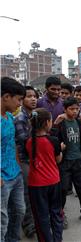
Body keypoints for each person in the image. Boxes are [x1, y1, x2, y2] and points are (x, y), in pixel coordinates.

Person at [53, 97, 81, 226]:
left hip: (78, 160)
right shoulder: (60, 123)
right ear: (65, 109)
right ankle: (61, 214)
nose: (75, 111)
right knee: (63, 190)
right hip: (64, 162)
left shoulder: (80, 122)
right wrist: (55, 124)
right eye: (72, 109)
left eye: (77, 109)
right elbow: (53, 140)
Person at [26, 108, 64, 242]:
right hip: (54, 181)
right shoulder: (53, 140)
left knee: (41, 216)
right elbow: (58, 160)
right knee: (56, 213)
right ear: (48, 122)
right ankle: (57, 239)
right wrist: (61, 149)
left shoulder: (29, 141)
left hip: (36, 184)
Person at [1, 77, 26, 241]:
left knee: (19, 212)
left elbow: (13, 144)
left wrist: (18, 167)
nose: (20, 104)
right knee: (2, 221)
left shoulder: (9, 117)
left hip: (15, 175)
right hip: (2, 180)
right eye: (18, 99)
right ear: (6, 97)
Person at [14, 86, 37, 238]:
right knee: (27, 194)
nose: (33, 99)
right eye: (29, 96)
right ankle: (28, 224)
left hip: (34, 158)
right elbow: (26, 142)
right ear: (21, 100)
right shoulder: (20, 119)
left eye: (34, 96)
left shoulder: (33, 115)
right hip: (23, 160)